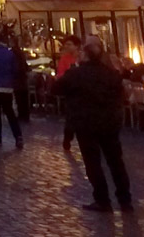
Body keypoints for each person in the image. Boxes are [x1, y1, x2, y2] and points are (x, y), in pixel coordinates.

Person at [54, 36, 133, 213]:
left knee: (93, 163)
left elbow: (56, 89)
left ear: (86, 56)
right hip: (109, 123)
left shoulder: (75, 74)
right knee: (115, 162)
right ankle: (125, 200)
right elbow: (121, 96)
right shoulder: (111, 74)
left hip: (86, 123)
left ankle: (103, 200)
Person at [57, 35, 81, 151]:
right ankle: (68, 138)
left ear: (77, 46)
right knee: (71, 116)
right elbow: (60, 74)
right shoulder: (64, 59)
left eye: (69, 44)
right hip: (71, 91)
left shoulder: (82, 58)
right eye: (65, 44)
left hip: (82, 91)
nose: (66, 46)